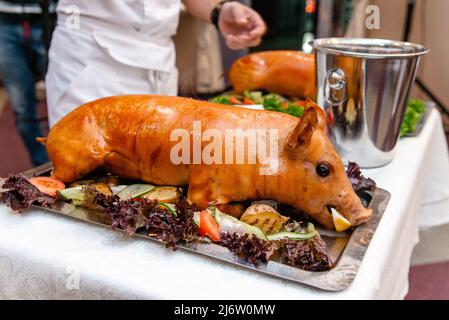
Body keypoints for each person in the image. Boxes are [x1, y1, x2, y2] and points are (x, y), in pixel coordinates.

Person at [46, 0, 266, 126]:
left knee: (157, 169)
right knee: (84, 174)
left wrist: (218, 11)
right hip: (91, 54)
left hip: (159, 58)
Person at [0, 0, 55, 165]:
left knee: (66, 101)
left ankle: (69, 161)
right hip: (4, 22)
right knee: (22, 109)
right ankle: (43, 167)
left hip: (51, 18)